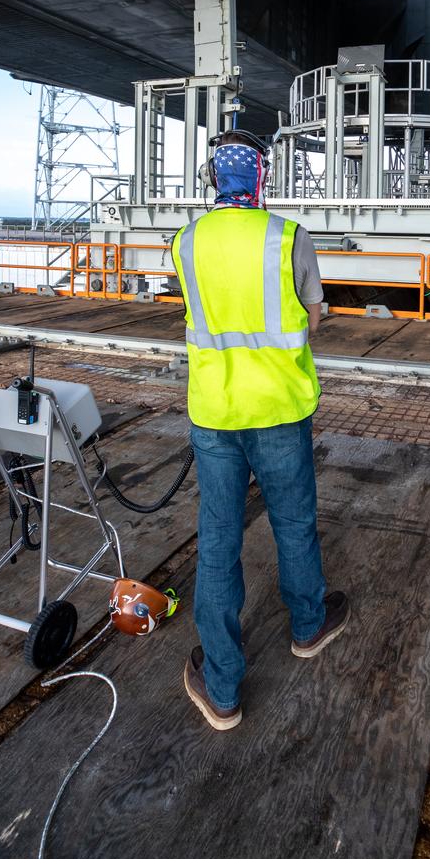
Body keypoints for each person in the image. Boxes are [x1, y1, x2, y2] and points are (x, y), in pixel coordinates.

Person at [172, 130, 350, 731]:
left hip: (215, 413)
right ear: (260, 179)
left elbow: (198, 312)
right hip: (278, 407)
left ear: (213, 178)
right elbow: (313, 317)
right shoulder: (288, 236)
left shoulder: (187, 241)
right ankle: (307, 627)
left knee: (219, 537)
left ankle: (222, 686)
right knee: (293, 522)